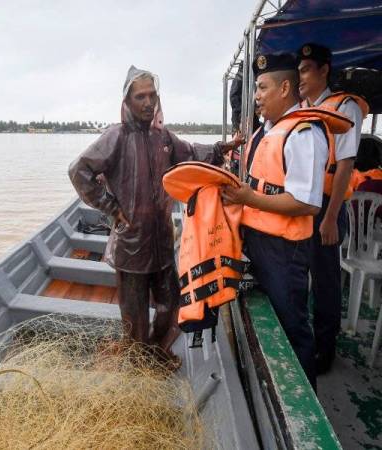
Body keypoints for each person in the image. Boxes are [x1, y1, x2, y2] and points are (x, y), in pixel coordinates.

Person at [68, 65, 240, 358]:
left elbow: (191, 152)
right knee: (134, 312)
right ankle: (138, 360)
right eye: (140, 97)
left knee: (170, 303)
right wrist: (111, 207)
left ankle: (157, 354)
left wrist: (224, 146)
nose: (148, 102)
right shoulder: (116, 136)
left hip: (162, 238)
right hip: (131, 243)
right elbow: (79, 171)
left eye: (152, 95)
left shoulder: (163, 137)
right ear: (128, 102)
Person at [221, 53, 353, 388]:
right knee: (274, 321)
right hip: (260, 243)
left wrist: (248, 199)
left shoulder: (303, 133)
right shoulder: (267, 132)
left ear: (284, 88)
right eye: (255, 89)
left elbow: (307, 203)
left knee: (293, 327)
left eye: (262, 87)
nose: (257, 96)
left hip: (285, 251)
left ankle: (303, 405)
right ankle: (272, 381)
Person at [297, 43, 370, 374]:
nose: (299, 76)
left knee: (325, 279)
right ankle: (303, 339)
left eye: (305, 69)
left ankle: (325, 348)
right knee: (299, 272)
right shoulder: (301, 109)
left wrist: (330, 218)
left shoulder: (345, 108)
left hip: (327, 205)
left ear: (324, 70)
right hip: (300, 202)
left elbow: (344, 166)